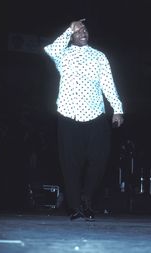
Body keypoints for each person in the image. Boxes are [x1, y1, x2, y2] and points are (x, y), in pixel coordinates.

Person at [44, 19, 124, 221]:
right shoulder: (63, 55)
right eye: (78, 31)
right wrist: (69, 27)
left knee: (100, 159)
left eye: (85, 30)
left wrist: (118, 109)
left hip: (95, 115)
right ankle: (74, 206)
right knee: (70, 164)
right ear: (71, 36)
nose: (83, 32)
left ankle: (87, 197)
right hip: (68, 115)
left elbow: (108, 84)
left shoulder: (99, 56)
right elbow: (51, 49)